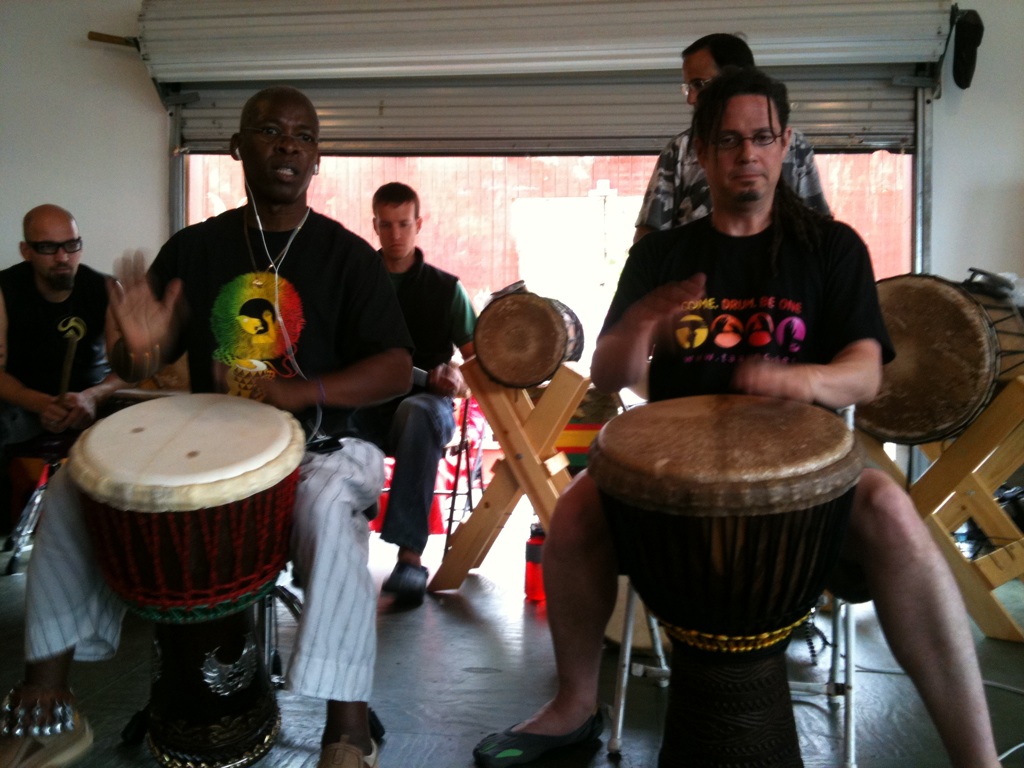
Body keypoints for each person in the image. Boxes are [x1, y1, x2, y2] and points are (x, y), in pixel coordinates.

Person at [474, 67, 1001, 768]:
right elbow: (606, 373)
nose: (746, 154)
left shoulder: (830, 248)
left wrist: (803, 378)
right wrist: (641, 325)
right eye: (728, 140)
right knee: (573, 516)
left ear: (785, 146)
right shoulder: (663, 254)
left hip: (804, 482)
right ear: (702, 150)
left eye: (761, 138)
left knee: (897, 516)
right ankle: (574, 705)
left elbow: (867, 371)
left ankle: (978, 758)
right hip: (672, 486)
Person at [0, 86, 412, 768]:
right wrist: (138, 343)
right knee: (75, 487)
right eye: (269, 131)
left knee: (328, 507)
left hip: (324, 446)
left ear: (316, 159)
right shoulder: (196, 248)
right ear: (237, 148)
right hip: (205, 444)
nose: (287, 144)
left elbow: (397, 367)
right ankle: (49, 698)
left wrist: (293, 390)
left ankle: (347, 731)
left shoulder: (347, 257)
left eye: (302, 136)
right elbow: (142, 357)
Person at [350, 182, 476, 607]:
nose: (395, 234)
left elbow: (477, 367)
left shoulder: (447, 290)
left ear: (418, 224)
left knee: (420, 412)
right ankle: (340, 551)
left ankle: (410, 559)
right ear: (375, 226)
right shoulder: (353, 286)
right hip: (363, 405)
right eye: (386, 225)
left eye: (404, 224)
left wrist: (458, 381)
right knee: (328, 423)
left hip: (427, 407)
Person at [633, 33, 830, 243]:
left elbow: (817, 224)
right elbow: (648, 234)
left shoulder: (794, 145)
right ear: (701, 151)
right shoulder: (681, 148)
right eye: (726, 141)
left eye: (699, 84)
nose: (691, 99)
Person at [0, 205, 126, 451]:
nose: (62, 257)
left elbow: (128, 373)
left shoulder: (107, 288)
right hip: (23, 404)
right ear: (26, 251)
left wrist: (92, 397)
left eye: (71, 245)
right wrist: (40, 403)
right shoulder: (4, 290)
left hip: (93, 399)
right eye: (48, 247)